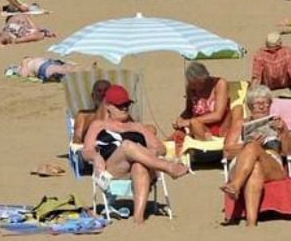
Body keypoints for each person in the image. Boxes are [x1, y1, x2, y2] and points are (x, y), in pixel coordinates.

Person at [82, 85, 189, 224]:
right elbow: (86, 151)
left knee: (139, 165)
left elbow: (160, 148)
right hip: (113, 170)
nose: (125, 108)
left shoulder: (137, 127)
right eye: (120, 105)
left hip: (141, 169)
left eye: (127, 104)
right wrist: (95, 157)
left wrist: (149, 152)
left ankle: (138, 219)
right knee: (127, 145)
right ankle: (169, 167)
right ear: (108, 106)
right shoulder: (98, 125)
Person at [221, 85, 291, 227]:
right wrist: (245, 146)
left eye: (266, 103)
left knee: (254, 146)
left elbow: (289, 152)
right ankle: (251, 224)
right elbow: (226, 151)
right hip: (241, 165)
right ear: (250, 106)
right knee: (255, 167)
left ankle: (235, 185)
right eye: (258, 104)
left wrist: (283, 132)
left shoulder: (278, 123)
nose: (262, 107)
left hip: (272, 166)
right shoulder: (240, 124)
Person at [173, 62, 231, 140]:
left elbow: (218, 115)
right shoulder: (191, 88)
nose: (196, 87)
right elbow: (189, 110)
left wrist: (189, 121)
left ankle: (206, 147)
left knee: (195, 124)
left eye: (199, 83)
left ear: (205, 78)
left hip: (218, 128)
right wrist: (180, 120)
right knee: (177, 134)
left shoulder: (219, 84)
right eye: (193, 84)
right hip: (197, 126)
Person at [72, 79, 111, 144]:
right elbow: (77, 137)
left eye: (106, 90)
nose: (103, 94)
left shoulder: (120, 113)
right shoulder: (83, 115)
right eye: (99, 91)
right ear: (93, 96)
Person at [14, 56, 80, 85]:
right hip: (43, 66)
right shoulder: (25, 62)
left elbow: (24, 74)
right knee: (63, 70)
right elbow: (24, 74)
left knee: (65, 69)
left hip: (47, 64)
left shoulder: (29, 62)